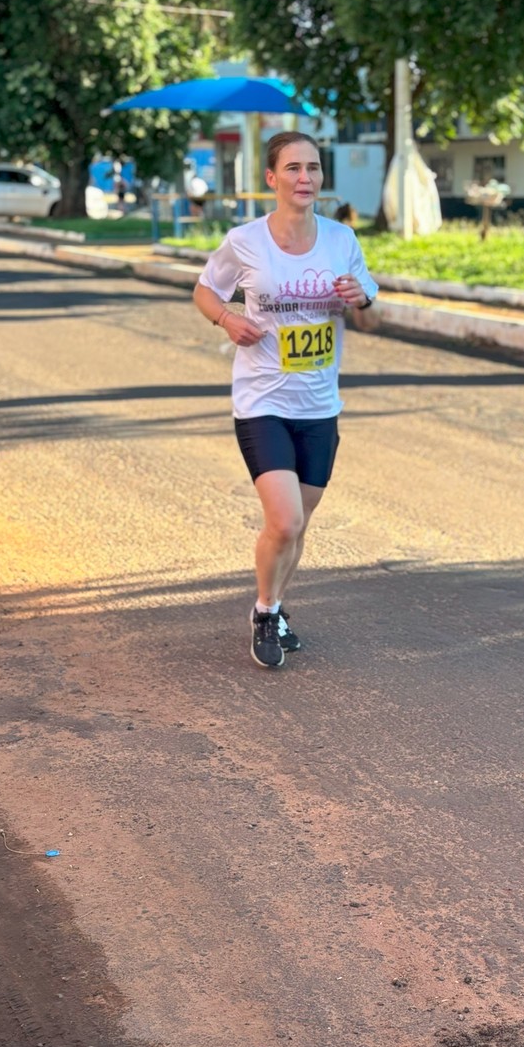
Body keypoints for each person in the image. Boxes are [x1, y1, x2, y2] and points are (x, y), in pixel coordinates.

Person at [192, 131, 379, 668]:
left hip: (320, 405)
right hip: (262, 402)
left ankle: (275, 604)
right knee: (286, 522)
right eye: (293, 168)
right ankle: (266, 610)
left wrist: (360, 299)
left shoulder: (342, 240)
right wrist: (228, 319)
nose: (305, 179)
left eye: (313, 169)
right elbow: (205, 290)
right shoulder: (246, 240)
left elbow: (371, 317)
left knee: (300, 521)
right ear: (271, 178)